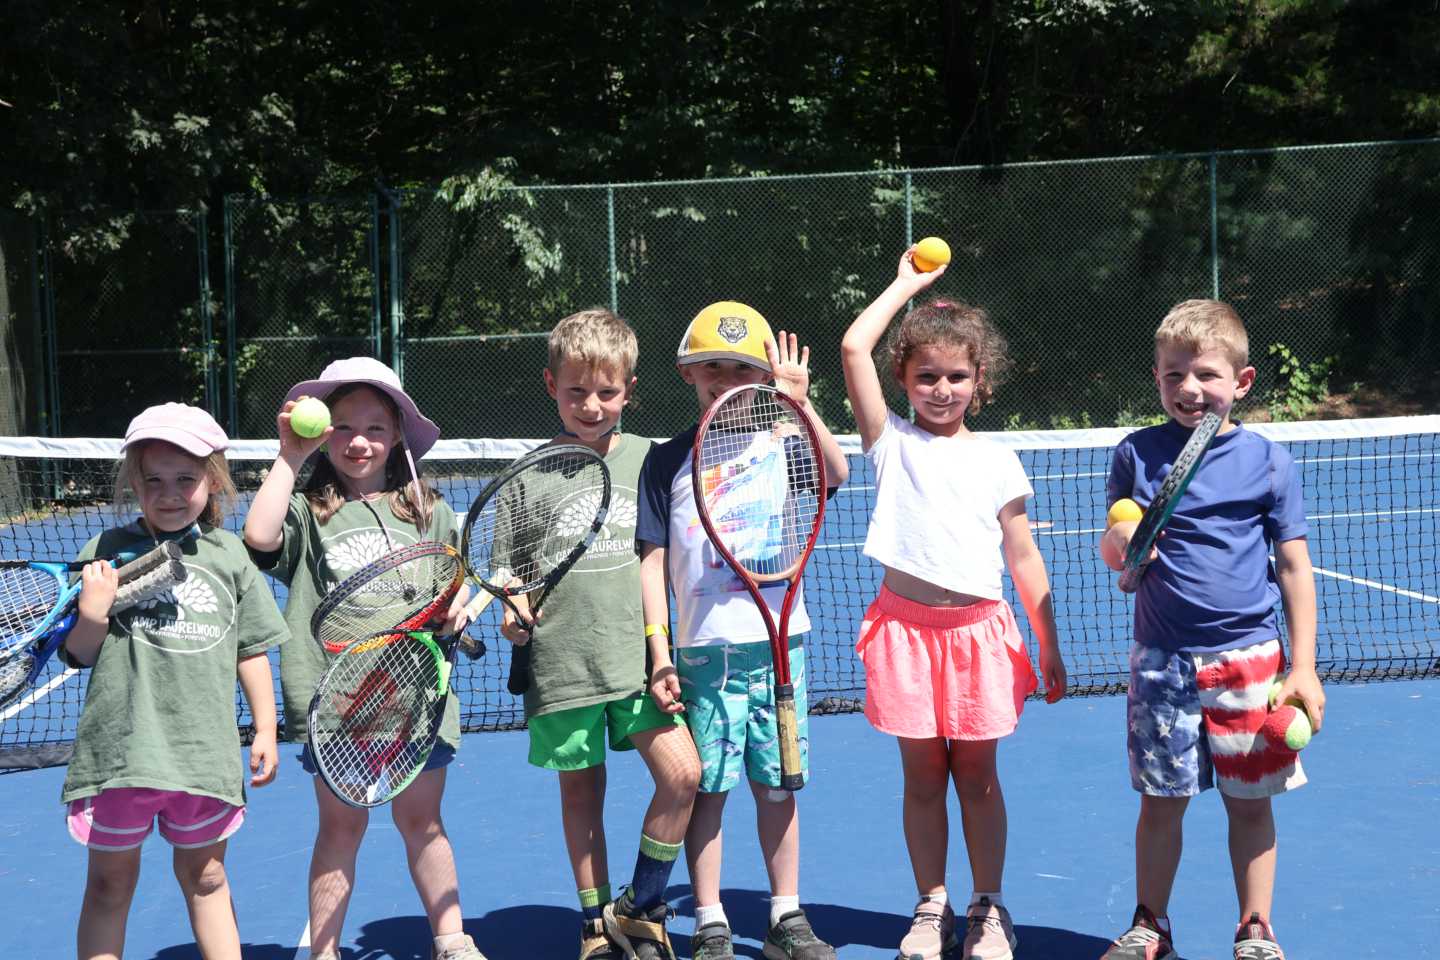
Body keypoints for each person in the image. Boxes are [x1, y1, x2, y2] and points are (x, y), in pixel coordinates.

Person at [839, 249, 1067, 960]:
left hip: (978, 637)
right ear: (903, 379)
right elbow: (853, 346)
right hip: (905, 634)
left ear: (981, 380)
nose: (941, 389)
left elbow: (1023, 557)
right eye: (926, 376)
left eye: (957, 376)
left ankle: (989, 907)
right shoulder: (889, 443)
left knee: (978, 778)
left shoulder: (997, 459)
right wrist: (908, 286)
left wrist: (1049, 642)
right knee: (921, 780)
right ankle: (931, 904)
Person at [1096, 300, 1324, 960]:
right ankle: (1150, 926)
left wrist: (1302, 667)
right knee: (1161, 803)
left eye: (1206, 375)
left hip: (1250, 661)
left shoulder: (1269, 463)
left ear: (1242, 382)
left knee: (1251, 804)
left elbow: (1293, 565)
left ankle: (1255, 928)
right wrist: (1120, 541)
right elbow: (1116, 555)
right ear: (1157, 378)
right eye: (1173, 376)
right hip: (1162, 661)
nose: (1190, 390)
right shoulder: (1135, 454)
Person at [242, 357, 482, 960]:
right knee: (340, 829)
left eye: (375, 428)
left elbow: (453, 587)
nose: (358, 441)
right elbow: (259, 538)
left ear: (398, 434)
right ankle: (323, 950)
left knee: (423, 823)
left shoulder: (432, 513)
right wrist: (290, 456)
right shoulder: (307, 511)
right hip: (339, 710)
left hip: (415, 704)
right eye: (342, 426)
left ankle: (452, 940)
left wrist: (459, 611)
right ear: (324, 434)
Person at [632, 301, 849, 960]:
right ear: (688, 374)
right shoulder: (666, 460)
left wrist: (801, 405)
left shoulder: (786, 443)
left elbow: (835, 475)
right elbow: (652, 560)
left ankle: (785, 915)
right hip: (704, 654)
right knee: (710, 787)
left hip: (782, 648)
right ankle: (710, 919)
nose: (723, 379)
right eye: (711, 368)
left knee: (777, 785)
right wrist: (659, 651)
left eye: (738, 368)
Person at [499, 308, 701, 960]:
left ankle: (639, 907)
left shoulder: (652, 459)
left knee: (683, 775)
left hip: (642, 662)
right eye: (575, 391)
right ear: (549, 384)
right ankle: (594, 927)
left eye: (606, 391)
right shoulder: (524, 479)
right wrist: (512, 608)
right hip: (562, 663)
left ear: (630, 390)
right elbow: (511, 573)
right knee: (581, 792)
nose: (591, 405)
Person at [61, 403, 287, 960]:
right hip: (122, 758)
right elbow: (79, 655)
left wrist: (265, 728)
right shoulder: (104, 554)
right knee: (108, 886)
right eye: (153, 480)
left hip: (200, 757)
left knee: (207, 879)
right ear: (133, 482)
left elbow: (251, 649)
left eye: (185, 479)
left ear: (212, 482)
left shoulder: (229, 555)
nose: (168, 493)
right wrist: (92, 613)